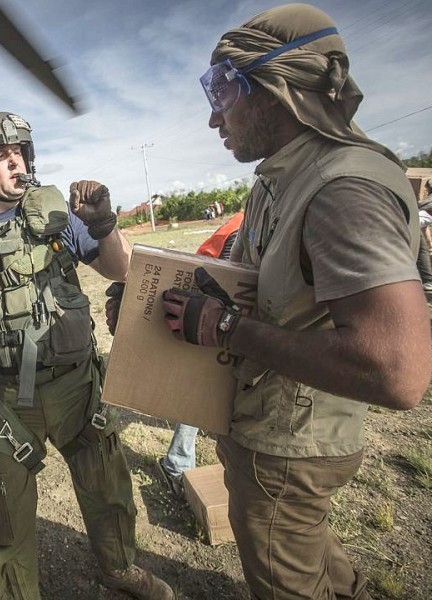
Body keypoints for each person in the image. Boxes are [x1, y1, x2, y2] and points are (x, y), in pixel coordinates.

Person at [159, 5, 432, 599]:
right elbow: (256, 283)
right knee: (309, 551)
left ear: (278, 87)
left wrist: (229, 329)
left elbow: (398, 372)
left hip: (290, 447)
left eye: (225, 89)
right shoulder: (278, 180)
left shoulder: (342, 188)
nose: (213, 117)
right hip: (267, 431)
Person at [0, 110, 173, 600]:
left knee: (108, 490)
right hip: (6, 400)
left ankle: (119, 568)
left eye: (19, 152)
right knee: (8, 520)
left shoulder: (55, 215)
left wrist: (105, 226)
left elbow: (121, 269)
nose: (14, 163)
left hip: (77, 384)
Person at [157, 212, 243, 497]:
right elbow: (231, 278)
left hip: (217, 298)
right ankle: (178, 465)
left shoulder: (256, 219)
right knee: (207, 385)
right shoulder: (244, 228)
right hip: (207, 294)